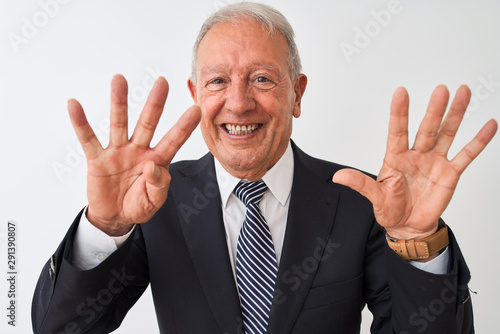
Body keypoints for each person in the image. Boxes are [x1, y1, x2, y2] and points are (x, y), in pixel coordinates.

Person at [32, 2, 497, 334]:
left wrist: (416, 241)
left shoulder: (363, 203)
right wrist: (106, 227)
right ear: (196, 95)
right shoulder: (155, 202)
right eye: (218, 81)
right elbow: (59, 329)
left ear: (297, 93)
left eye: (261, 78)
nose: (238, 102)